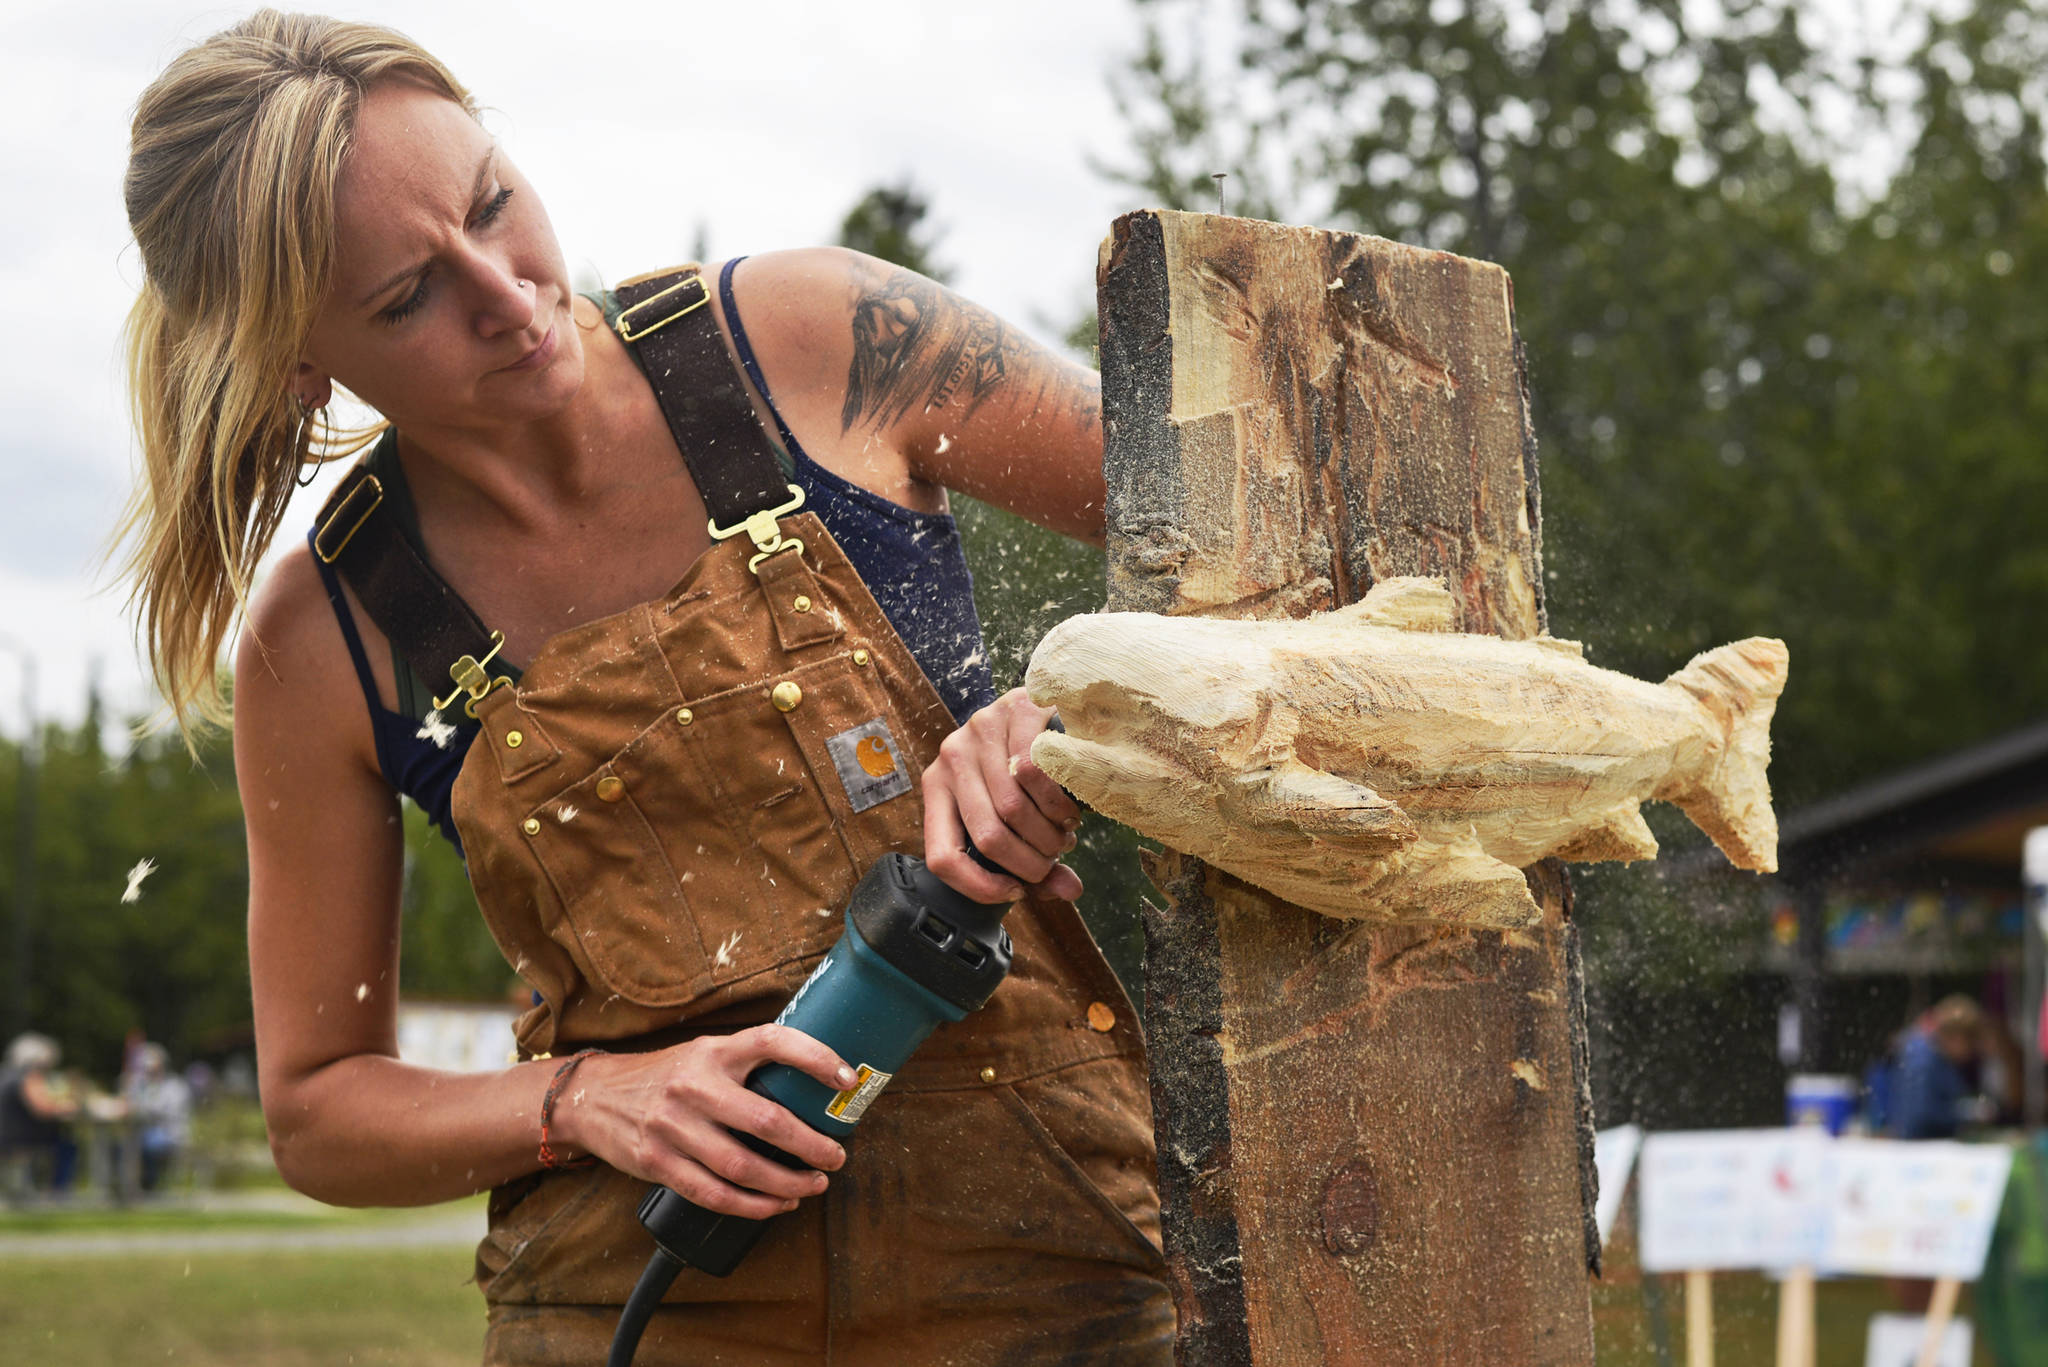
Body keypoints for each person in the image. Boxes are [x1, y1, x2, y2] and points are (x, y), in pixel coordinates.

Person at [118, 11, 1169, 1365]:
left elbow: (1247, 549)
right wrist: (590, 1095)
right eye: (405, 300)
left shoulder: (815, 341)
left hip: (1056, 1257)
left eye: (493, 203)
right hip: (647, 1299)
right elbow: (320, 1108)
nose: (506, 293)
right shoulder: (327, 635)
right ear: (299, 361)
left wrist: (1068, 710)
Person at [1888, 995, 1985, 1140]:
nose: (1974, 1050)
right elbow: (1920, 1115)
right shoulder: (1923, 1063)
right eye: (1971, 1041)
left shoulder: (1938, 1059)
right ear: (1956, 1037)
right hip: (1921, 1149)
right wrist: (1968, 1115)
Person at [0, 1033, 81, 1194]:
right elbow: (43, 1109)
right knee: (67, 1145)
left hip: (6, 1136)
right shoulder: (27, 1077)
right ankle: (57, 1193)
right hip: (19, 1139)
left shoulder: (5, 1073)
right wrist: (68, 1107)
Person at [123, 1043, 193, 1193]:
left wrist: (139, 1107)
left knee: (146, 1145)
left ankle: (148, 1185)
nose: (149, 1072)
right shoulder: (142, 1085)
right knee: (122, 1144)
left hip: (170, 1133)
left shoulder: (175, 1086)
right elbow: (130, 1100)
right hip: (146, 1131)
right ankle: (125, 1186)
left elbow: (163, 1111)